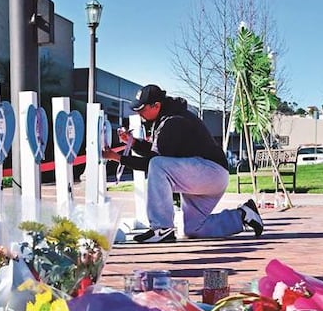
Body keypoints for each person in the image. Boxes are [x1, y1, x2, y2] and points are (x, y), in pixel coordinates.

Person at [103, 84, 263, 243]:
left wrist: (117, 158)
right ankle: (243, 215)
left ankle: (162, 228)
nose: (139, 113)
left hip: (210, 171)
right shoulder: (168, 117)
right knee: (193, 228)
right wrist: (132, 142)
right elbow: (157, 152)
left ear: (156, 105)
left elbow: (151, 162)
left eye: (142, 110)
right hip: (205, 174)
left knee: (157, 166)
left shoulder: (172, 122)